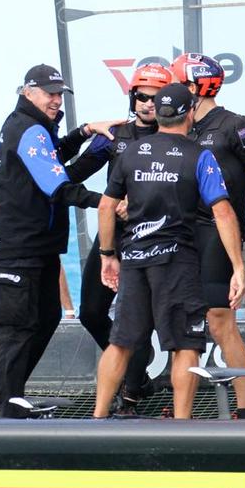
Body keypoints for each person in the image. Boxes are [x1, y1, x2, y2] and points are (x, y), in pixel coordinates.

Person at [93, 83, 245, 419]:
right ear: (189, 113)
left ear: (159, 115)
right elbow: (222, 211)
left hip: (134, 258)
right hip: (176, 261)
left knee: (121, 342)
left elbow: (106, 207)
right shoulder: (199, 155)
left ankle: (97, 419)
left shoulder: (131, 151)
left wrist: (107, 255)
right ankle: (181, 424)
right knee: (185, 345)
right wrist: (237, 266)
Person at [0, 63, 120, 418]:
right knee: (16, 325)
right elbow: (58, 186)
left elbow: (53, 155)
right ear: (27, 93)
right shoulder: (27, 128)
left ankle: (1, 394)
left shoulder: (34, 127)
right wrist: (106, 203)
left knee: (46, 317)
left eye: (60, 94)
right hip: (18, 244)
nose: (57, 101)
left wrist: (85, 131)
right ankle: (8, 403)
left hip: (38, 244)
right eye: (50, 94)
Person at [171, 52, 245, 419]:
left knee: (219, 320)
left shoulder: (236, 126)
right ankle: (181, 412)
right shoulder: (178, 127)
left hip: (220, 230)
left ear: (192, 87)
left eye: (177, 84)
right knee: (183, 321)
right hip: (184, 234)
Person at [67, 62, 172, 414]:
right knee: (90, 313)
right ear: (132, 97)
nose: (148, 104)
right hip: (112, 235)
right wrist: (103, 203)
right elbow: (68, 177)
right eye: (142, 96)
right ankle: (134, 372)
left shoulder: (175, 137)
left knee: (138, 320)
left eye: (156, 99)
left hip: (152, 238)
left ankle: (129, 398)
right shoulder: (114, 137)